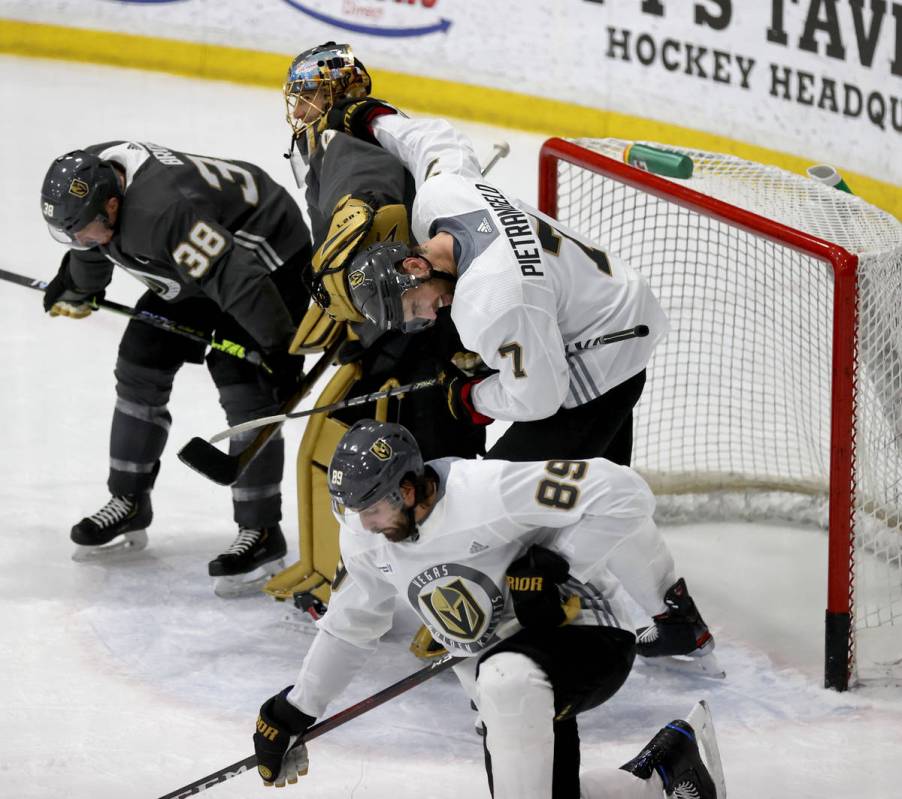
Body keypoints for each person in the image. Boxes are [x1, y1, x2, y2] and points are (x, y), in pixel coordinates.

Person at [317, 102, 712, 661]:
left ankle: (506, 625)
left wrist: (471, 396)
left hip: (602, 355)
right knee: (598, 488)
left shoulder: (492, 301)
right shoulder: (443, 198)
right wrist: (375, 118)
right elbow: (435, 139)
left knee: (513, 502)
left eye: (414, 306)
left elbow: (539, 395)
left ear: (413, 266)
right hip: (607, 304)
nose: (424, 319)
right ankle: (674, 616)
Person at [252, 420, 726, 798]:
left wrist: (556, 563)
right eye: (353, 511)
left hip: (583, 630)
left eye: (373, 509)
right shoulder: (365, 536)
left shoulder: (486, 489)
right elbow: (350, 628)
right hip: (499, 685)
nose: (364, 524)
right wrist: (296, 710)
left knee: (506, 677)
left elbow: (624, 491)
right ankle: (666, 770)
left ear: (410, 490)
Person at [261, 43, 486, 630]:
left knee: (438, 467)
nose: (300, 107)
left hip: (420, 331)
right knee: (331, 447)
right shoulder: (326, 141)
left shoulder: (352, 144)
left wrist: (358, 320)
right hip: (388, 326)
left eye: (309, 94)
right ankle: (328, 570)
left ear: (333, 96)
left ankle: (469, 593)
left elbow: (376, 216)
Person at [39, 142, 311, 596]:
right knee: (140, 359)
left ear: (112, 203)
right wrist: (78, 284)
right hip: (205, 257)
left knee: (244, 379)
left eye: (86, 230)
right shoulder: (94, 186)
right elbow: (91, 246)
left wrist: (280, 350)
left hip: (266, 259)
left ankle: (262, 531)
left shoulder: (161, 212)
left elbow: (234, 276)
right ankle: (129, 500)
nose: (81, 239)